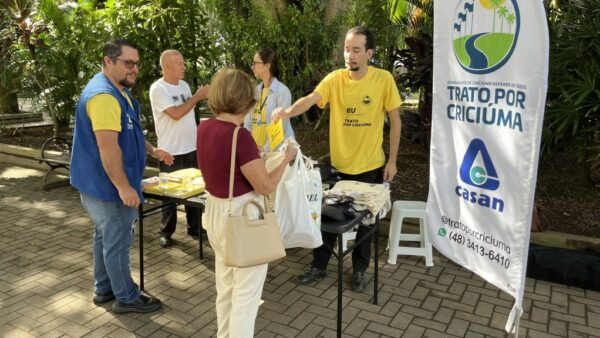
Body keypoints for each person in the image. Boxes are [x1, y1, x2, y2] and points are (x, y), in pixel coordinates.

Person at [273, 26, 402, 292]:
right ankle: (318, 266)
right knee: (327, 219)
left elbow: (396, 121)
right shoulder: (335, 79)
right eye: (346, 49)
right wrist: (287, 112)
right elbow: (311, 99)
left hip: (371, 167)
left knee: (366, 225)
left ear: (369, 53)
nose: (350, 55)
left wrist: (392, 161)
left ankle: (359, 271)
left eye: (356, 50)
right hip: (338, 167)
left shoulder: (383, 79)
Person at [70, 38, 174, 313]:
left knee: (104, 238)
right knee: (116, 241)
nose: (134, 69)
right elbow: (107, 147)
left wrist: (152, 150)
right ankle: (126, 297)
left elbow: (128, 131)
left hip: (103, 185)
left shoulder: (118, 90)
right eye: (128, 63)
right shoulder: (103, 96)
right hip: (107, 187)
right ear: (108, 61)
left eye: (137, 64)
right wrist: (124, 187)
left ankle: (103, 289)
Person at [196, 68, 297, 337]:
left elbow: (224, 165)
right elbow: (264, 186)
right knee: (246, 297)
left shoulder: (204, 127)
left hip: (216, 212)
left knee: (226, 288)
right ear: (247, 102)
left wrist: (254, 156)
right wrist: (286, 158)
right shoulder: (240, 136)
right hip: (242, 216)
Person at [149, 50, 209, 247]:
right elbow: (175, 114)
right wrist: (197, 97)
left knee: (195, 190)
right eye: (179, 63)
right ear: (167, 67)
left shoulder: (184, 85)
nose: (184, 67)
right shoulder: (158, 89)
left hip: (191, 147)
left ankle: (195, 227)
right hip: (170, 151)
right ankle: (166, 231)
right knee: (169, 193)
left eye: (183, 63)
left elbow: (188, 114)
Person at [244, 48, 295, 152]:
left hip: (277, 154)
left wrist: (264, 150)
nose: (252, 66)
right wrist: (249, 146)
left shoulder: (282, 91)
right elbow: (247, 121)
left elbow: (281, 127)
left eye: (255, 63)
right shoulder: (255, 92)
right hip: (256, 152)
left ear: (267, 66)